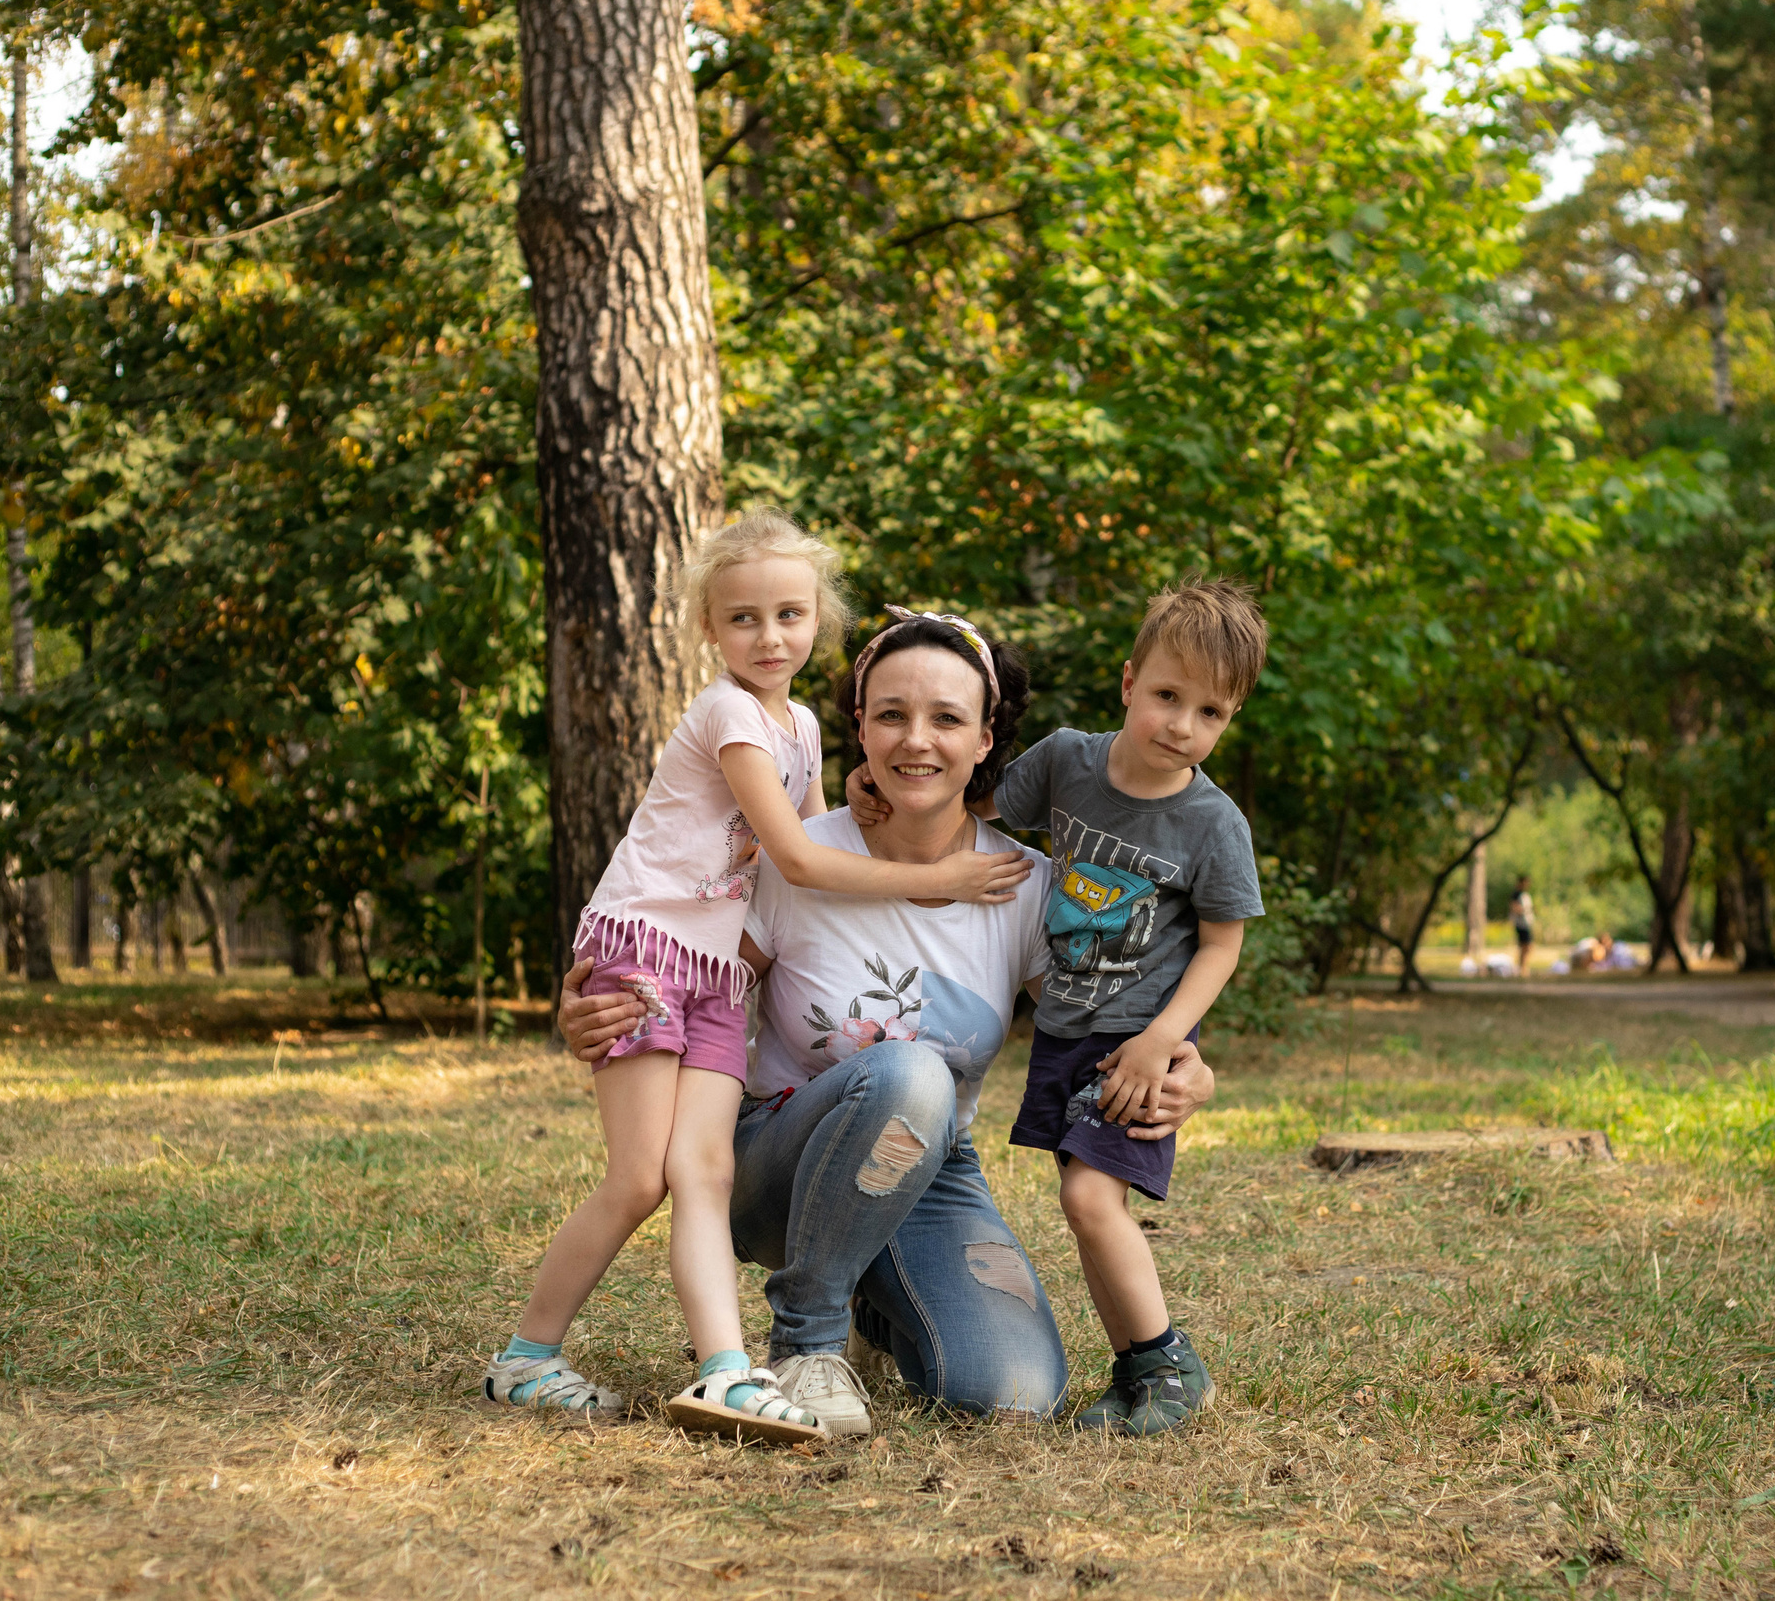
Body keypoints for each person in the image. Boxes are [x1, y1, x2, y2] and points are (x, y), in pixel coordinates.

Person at [558, 608, 1218, 1434]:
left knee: (1014, 1392)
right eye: (892, 714)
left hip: (930, 1165)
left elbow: (1103, 1022)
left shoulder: (1023, 884)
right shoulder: (793, 856)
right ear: (860, 729)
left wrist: (1188, 1067)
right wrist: (597, 1007)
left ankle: (875, 1305)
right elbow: (689, 975)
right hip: (773, 1159)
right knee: (910, 1067)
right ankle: (807, 1340)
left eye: (947, 718)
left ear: (984, 740)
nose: (918, 740)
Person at [480, 515, 1031, 1442]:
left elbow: (813, 831)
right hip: (650, 950)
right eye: (744, 618)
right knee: (637, 1179)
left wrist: (858, 793)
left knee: (698, 1170)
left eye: (790, 614)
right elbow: (801, 864)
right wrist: (936, 882)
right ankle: (528, 1355)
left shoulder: (802, 725)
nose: (769, 637)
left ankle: (726, 1371)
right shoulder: (728, 713)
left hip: (713, 980)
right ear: (706, 627)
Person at [996, 579, 1266, 1436]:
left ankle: (1169, 1363)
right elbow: (980, 812)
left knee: (1089, 1200)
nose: (1183, 726)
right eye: (1166, 696)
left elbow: (1221, 945)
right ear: (1127, 682)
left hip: (1139, 1042)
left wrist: (1162, 1039)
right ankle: (1136, 1372)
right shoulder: (1067, 761)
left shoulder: (1213, 823)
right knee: (1085, 1207)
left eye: (1211, 711)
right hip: (1064, 1026)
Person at [1508, 876, 1535, 973]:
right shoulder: (1516, 894)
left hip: (1526, 923)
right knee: (1525, 946)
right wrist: (1525, 910)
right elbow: (1514, 907)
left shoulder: (1525, 894)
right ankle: (1522, 967)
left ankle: (1523, 966)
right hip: (1521, 924)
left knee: (1526, 946)